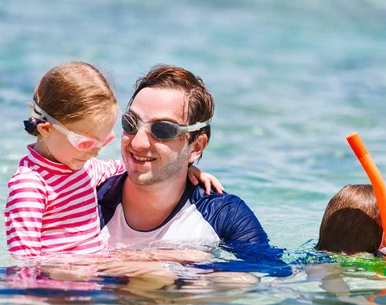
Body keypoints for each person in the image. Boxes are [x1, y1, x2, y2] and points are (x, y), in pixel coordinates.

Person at [4, 62, 221, 259]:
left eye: (103, 142)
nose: (96, 152)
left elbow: (140, 166)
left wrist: (185, 166)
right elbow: (24, 261)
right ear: (46, 129)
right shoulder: (30, 186)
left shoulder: (85, 168)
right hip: (57, 288)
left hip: (89, 285)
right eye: (86, 143)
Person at [97, 65, 271, 254]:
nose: (138, 143)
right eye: (130, 122)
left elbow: (272, 274)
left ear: (196, 147)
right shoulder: (86, 196)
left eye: (162, 130)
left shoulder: (220, 215)